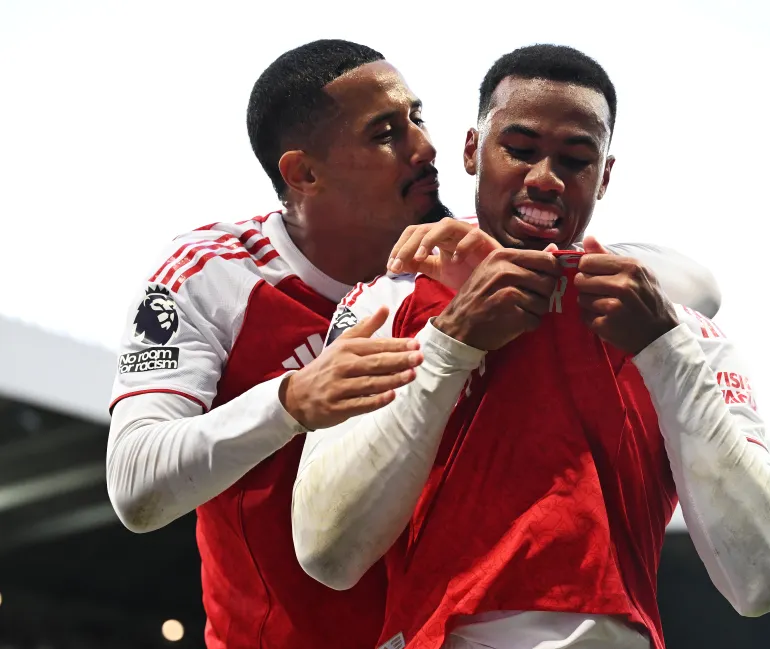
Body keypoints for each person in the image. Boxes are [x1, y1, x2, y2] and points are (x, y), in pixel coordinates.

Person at [105, 40, 722, 649]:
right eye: (385, 133)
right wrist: (293, 400)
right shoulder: (216, 274)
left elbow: (699, 288)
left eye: (417, 117)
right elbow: (137, 485)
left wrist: (534, 262)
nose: (425, 148)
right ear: (304, 172)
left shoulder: (457, 254)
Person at [292, 45, 770, 649]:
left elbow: (765, 579)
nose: (545, 178)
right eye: (520, 149)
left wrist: (665, 352)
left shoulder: (678, 329)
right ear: (470, 151)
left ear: (605, 176)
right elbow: (326, 552)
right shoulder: (384, 305)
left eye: (576, 159)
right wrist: (451, 342)